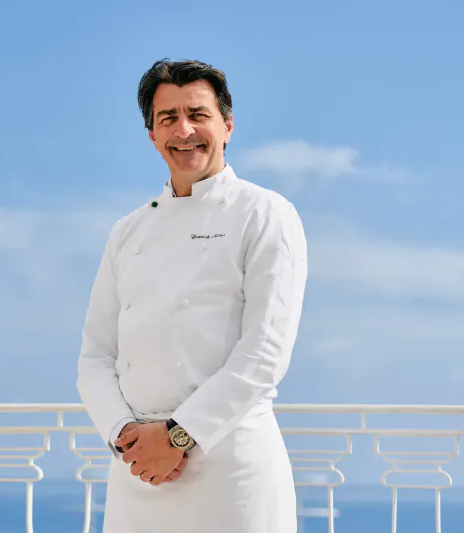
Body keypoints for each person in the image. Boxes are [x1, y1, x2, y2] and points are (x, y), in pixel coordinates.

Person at [76, 58, 308, 533]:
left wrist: (178, 437)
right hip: (138, 471)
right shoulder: (127, 232)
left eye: (197, 115)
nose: (184, 131)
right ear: (152, 135)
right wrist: (127, 438)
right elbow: (95, 357)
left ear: (226, 125)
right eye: (168, 118)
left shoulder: (265, 214)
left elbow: (264, 353)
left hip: (230, 467)